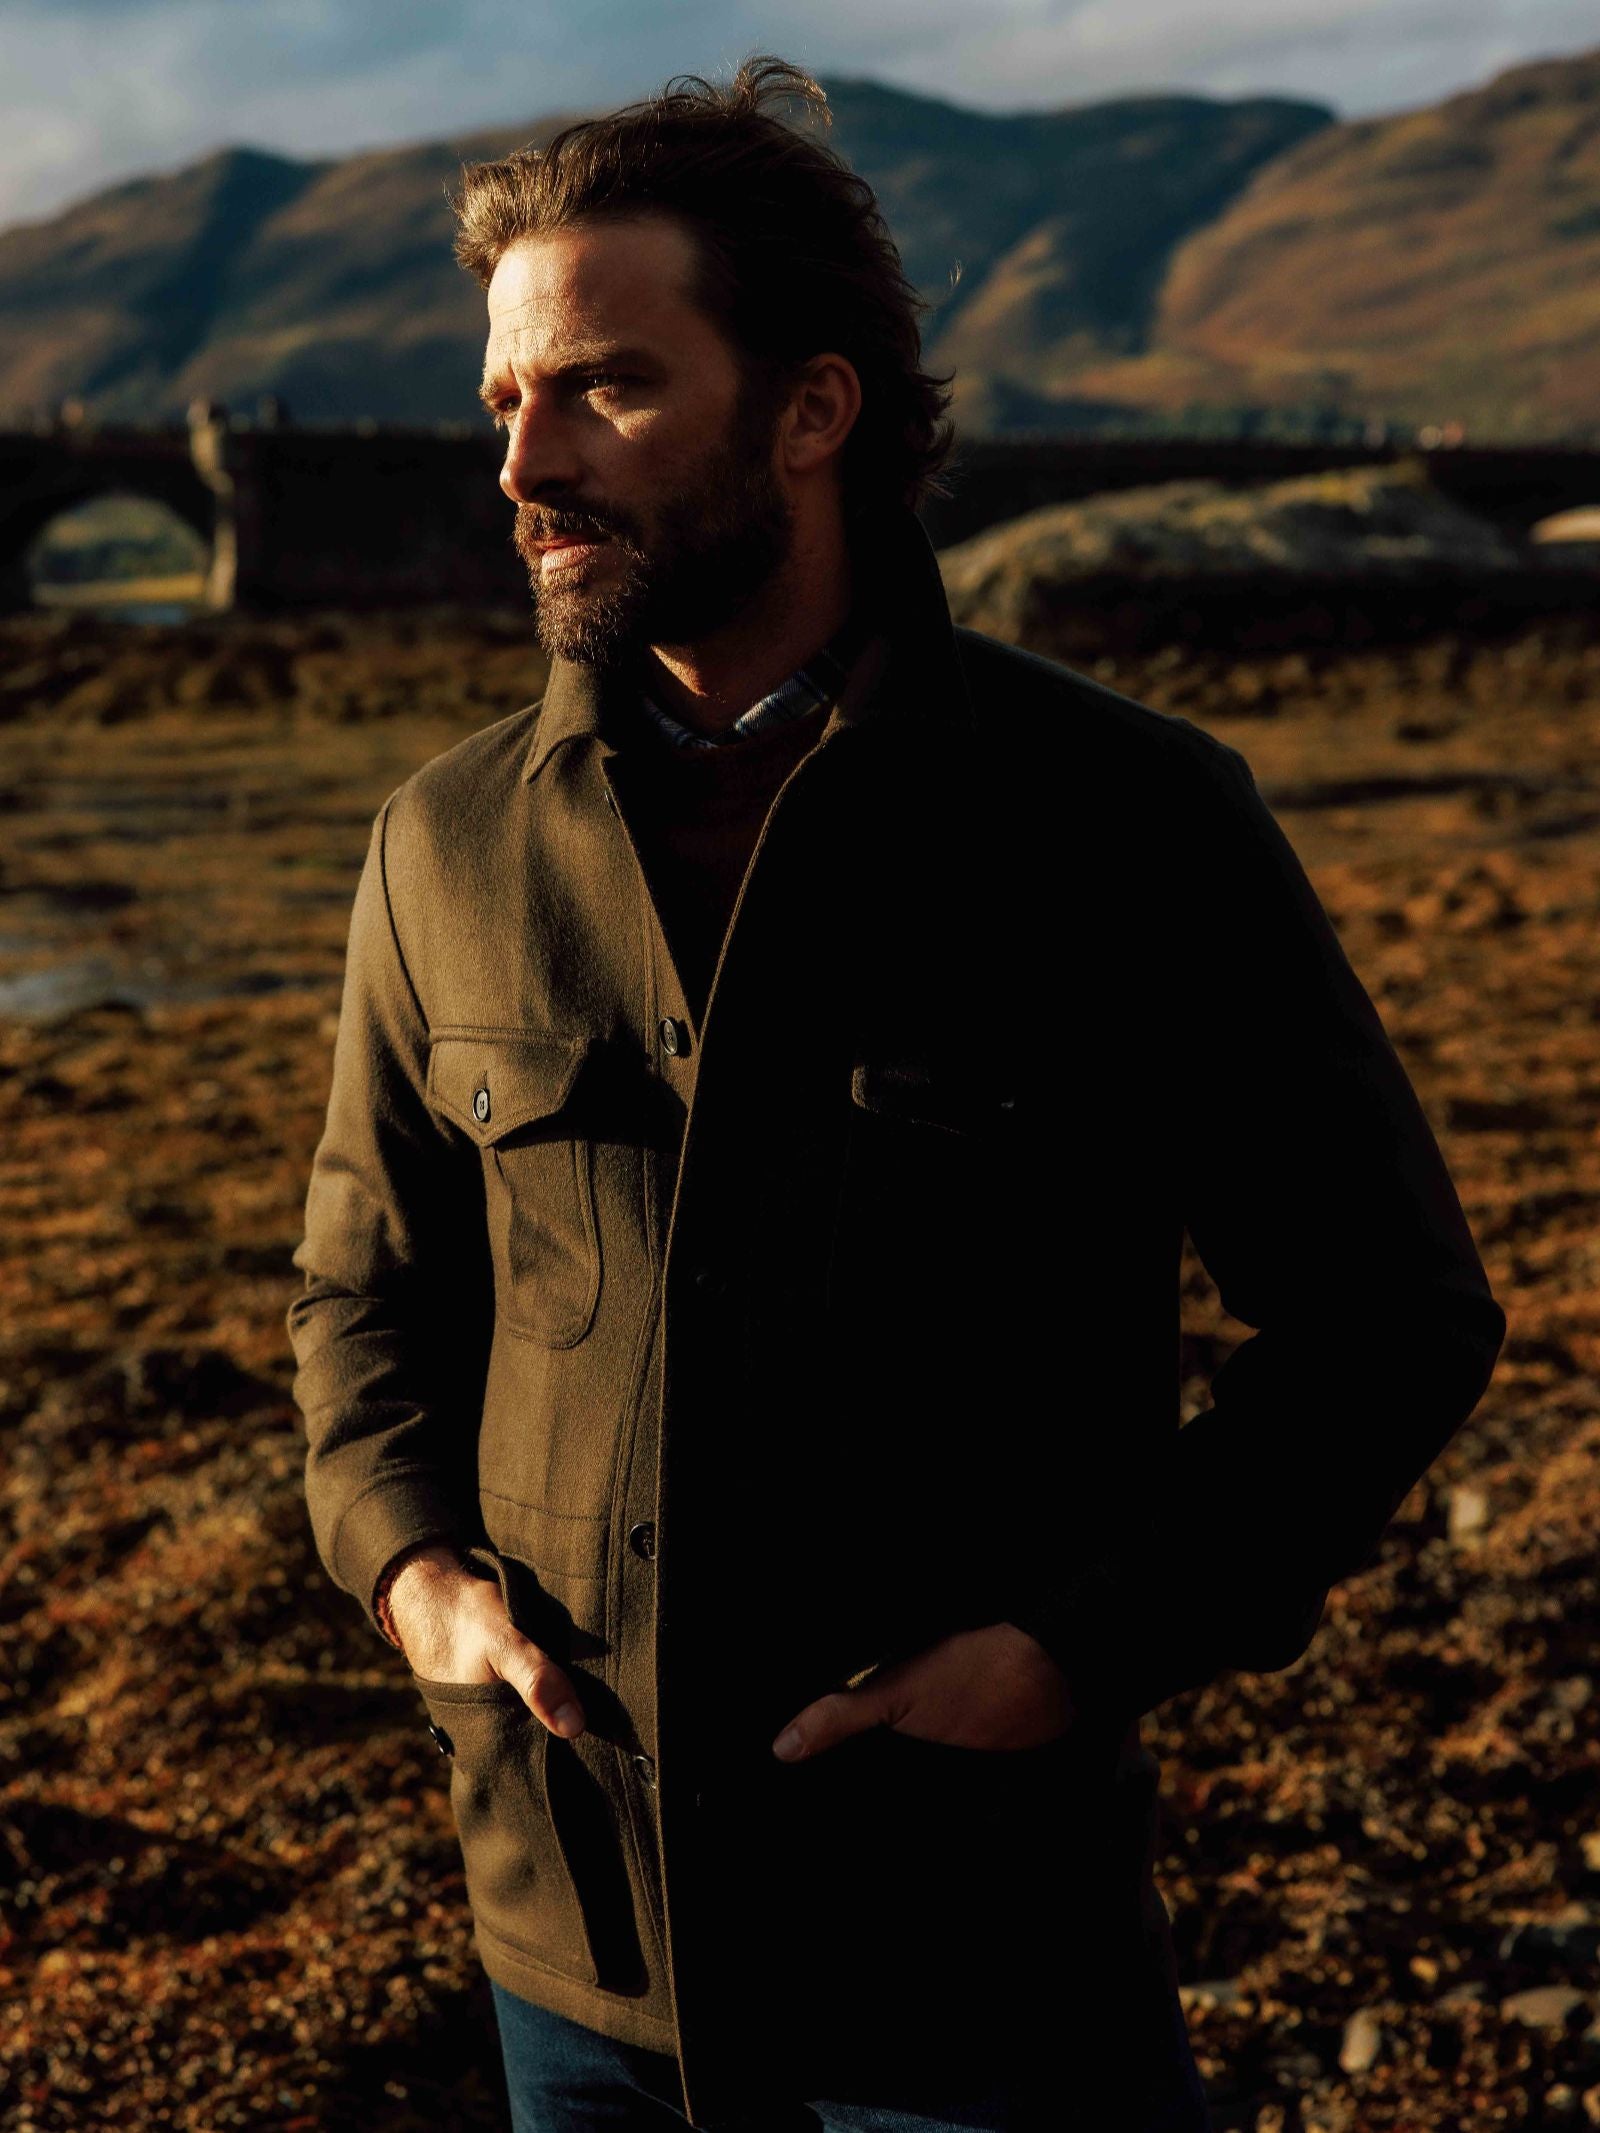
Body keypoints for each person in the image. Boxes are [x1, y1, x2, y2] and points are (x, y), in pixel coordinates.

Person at [285, 56, 1507, 2133]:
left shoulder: (1129, 822)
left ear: (811, 410)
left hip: (977, 1961)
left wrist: (1075, 1643)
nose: (523, 462)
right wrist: (415, 1575)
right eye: (505, 399)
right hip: (574, 1953)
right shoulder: (444, 846)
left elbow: (1387, 1318)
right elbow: (360, 1298)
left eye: (604, 387)